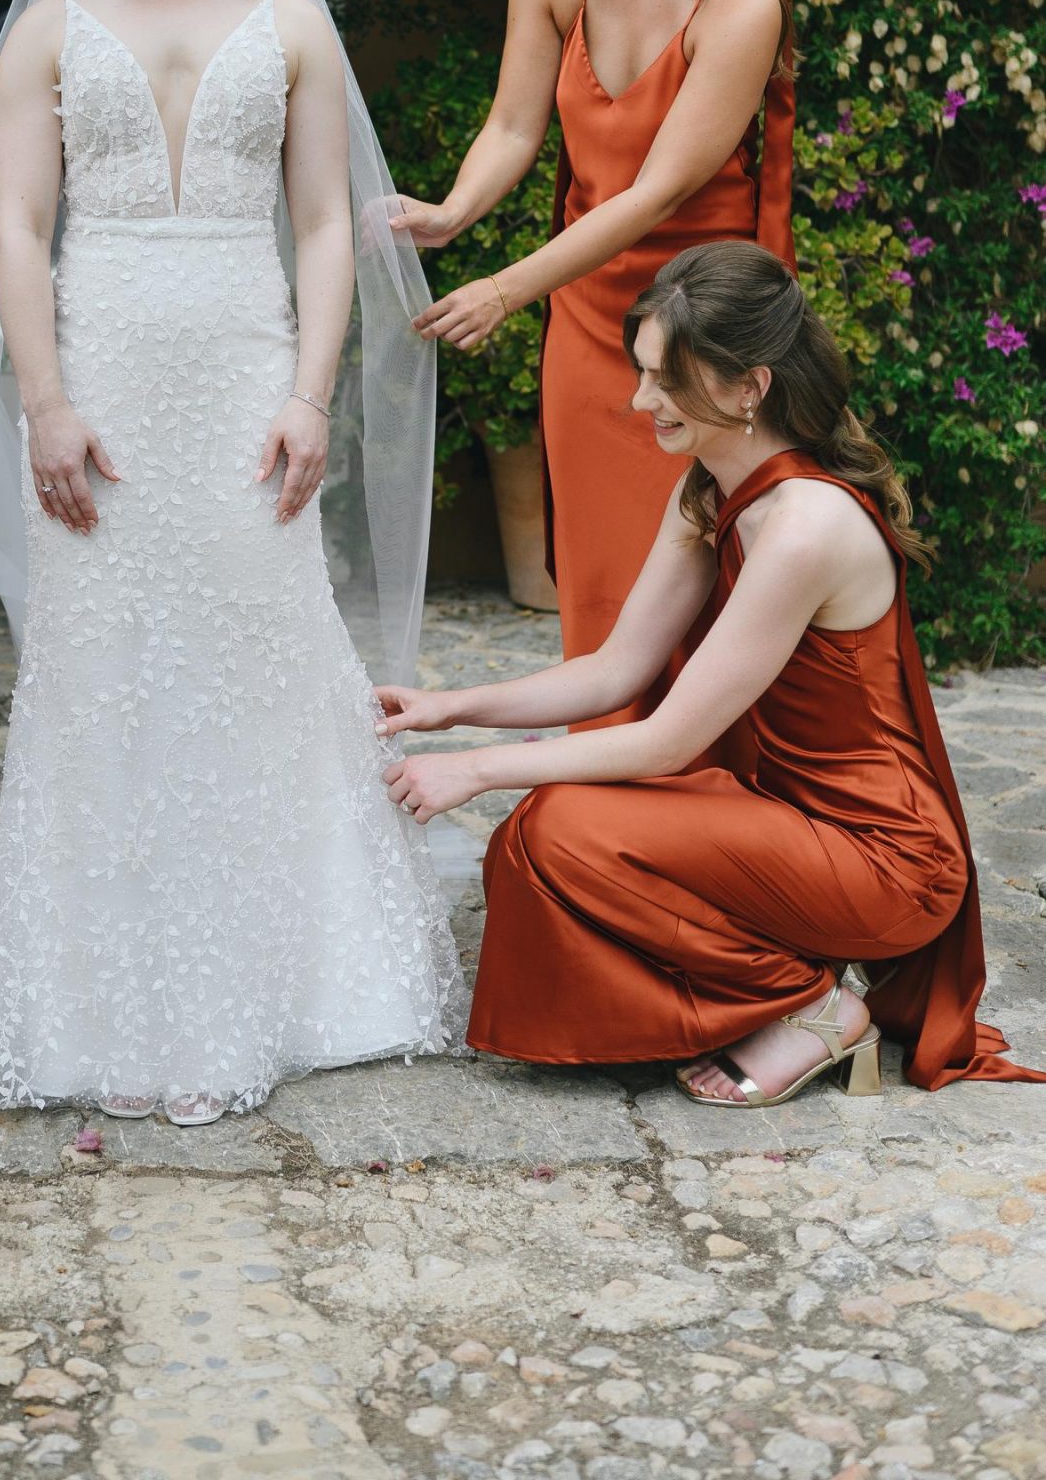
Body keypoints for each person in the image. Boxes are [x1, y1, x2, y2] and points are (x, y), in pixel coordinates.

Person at [0, 0, 460, 1124]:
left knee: (257, 656)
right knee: (101, 670)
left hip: (247, 377)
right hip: (102, 376)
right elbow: (18, 229)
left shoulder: (289, 27)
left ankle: (293, 981)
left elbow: (320, 225)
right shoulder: (49, 32)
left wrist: (308, 395)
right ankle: (97, 995)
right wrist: (46, 403)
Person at [377, 240, 1042, 1104]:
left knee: (562, 831)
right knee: (537, 837)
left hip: (885, 859)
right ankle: (783, 986)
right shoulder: (708, 487)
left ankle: (815, 1007)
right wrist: (447, 708)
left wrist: (474, 770)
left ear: (747, 387)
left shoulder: (804, 527)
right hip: (790, 824)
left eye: (665, 379)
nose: (639, 399)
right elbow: (615, 669)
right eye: (641, 371)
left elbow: (666, 741)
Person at [393, 0, 796, 700]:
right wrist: (453, 211)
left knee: (698, 580)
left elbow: (655, 193)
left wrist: (504, 288)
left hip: (700, 333)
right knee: (602, 572)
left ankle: (696, 770)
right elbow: (510, 126)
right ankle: (608, 771)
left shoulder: (741, 3)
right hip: (584, 319)